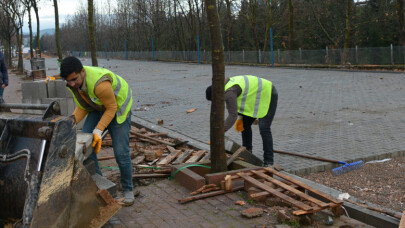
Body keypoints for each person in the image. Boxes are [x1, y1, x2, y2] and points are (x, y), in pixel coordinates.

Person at [60, 56, 135, 206]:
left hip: (118, 109)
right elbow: (82, 106)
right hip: (98, 106)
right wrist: (68, 124)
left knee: (121, 153)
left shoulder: (100, 84)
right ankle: (102, 185)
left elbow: (112, 108)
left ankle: (128, 190)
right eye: (68, 81)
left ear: (82, 71)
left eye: (74, 79)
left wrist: (98, 130)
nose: (72, 84)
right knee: (87, 147)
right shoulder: (74, 84)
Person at [205, 75, 278, 167]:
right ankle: (247, 153)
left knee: (264, 128)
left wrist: (219, 132)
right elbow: (234, 106)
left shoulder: (229, 92)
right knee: (245, 125)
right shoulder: (223, 86)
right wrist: (241, 117)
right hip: (256, 97)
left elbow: (232, 115)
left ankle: (268, 161)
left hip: (268, 93)